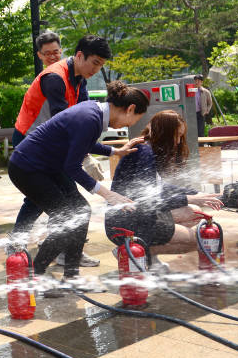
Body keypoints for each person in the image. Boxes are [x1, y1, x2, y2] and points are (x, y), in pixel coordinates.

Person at [8, 81, 148, 293]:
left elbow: (83, 143)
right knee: (68, 217)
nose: (129, 126)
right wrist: (107, 194)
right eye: (133, 120)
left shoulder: (94, 114)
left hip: (47, 166)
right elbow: (72, 167)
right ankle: (35, 276)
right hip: (28, 168)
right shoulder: (89, 118)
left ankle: (71, 278)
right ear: (130, 109)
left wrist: (114, 152)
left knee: (80, 212)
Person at [12, 34, 113, 269]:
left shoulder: (79, 77)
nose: (96, 70)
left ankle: (67, 250)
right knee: (43, 197)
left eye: (56, 52)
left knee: (60, 199)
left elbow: (87, 115)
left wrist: (91, 150)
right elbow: (65, 123)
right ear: (79, 56)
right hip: (31, 140)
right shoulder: (54, 78)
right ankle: (33, 247)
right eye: (95, 63)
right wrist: (85, 156)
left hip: (53, 142)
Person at [105, 110, 223, 270]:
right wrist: (190, 198)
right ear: (165, 134)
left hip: (141, 214)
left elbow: (161, 188)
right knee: (197, 240)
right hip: (127, 221)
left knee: (194, 212)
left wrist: (195, 194)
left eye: (181, 136)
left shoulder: (148, 149)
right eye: (176, 136)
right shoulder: (143, 153)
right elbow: (150, 199)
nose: (178, 142)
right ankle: (134, 250)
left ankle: (150, 256)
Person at [11, 30, 62, 147]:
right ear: (39, 55)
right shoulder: (48, 78)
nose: (52, 57)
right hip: (27, 136)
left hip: (43, 136)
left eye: (55, 52)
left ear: (61, 50)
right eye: (47, 53)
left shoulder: (64, 74)